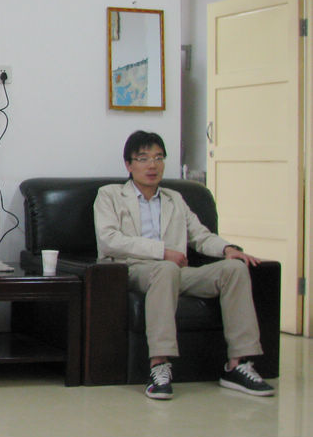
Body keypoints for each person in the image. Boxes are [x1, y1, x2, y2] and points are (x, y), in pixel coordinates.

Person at [94, 130, 274, 400]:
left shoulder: (174, 199)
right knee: (166, 269)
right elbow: (109, 240)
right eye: (143, 158)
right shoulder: (109, 195)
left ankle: (238, 364)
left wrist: (228, 249)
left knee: (234, 269)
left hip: (176, 272)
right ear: (129, 165)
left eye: (158, 158)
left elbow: (201, 236)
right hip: (133, 270)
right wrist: (163, 252)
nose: (152, 165)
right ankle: (159, 365)